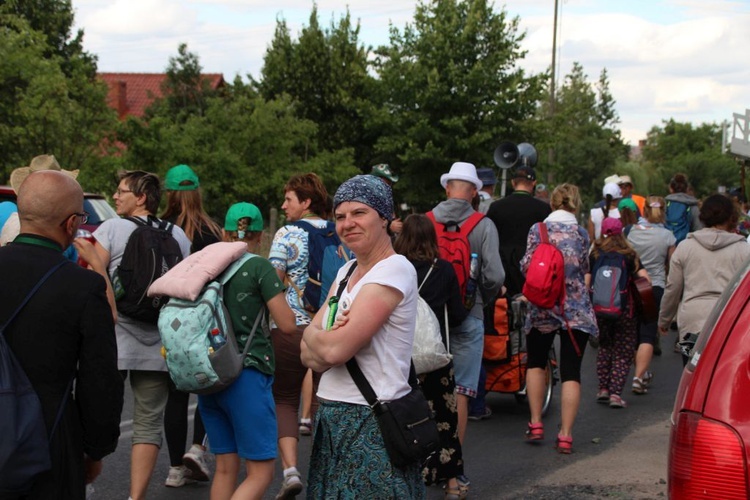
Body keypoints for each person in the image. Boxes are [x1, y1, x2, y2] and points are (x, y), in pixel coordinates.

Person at [0, 170, 123, 499]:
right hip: (48, 441)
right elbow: (99, 378)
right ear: (71, 224)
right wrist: (95, 449)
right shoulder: (83, 286)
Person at [301, 175, 425, 498]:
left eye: (359, 213)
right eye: (340, 216)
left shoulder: (395, 269)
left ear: (384, 217)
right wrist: (320, 337)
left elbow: (333, 353)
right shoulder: (345, 272)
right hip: (332, 419)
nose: (347, 223)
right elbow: (306, 353)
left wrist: (318, 334)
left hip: (371, 421)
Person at [91, 170, 191, 500]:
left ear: (141, 197)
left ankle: (82, 483)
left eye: (122, 191)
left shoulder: (111, 228)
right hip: (158, 340)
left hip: (116, 337)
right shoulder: (177, 234)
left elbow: (94, 277)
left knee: (95, 414)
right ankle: (136, 497)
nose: (116, 196)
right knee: (147, 422)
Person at [197, 202, 296, 499]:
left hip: (210, 375)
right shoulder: (259, 267)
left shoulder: (206, 264)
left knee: (226, 468)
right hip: (247, 374)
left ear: (225, 231)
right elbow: (287, 324)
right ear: (260, 235)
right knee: (261, 471)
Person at [267, 173, 337, 499]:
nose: (283, 205)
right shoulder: (341, 232)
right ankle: (330, 473)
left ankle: (291, 470)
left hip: (291, 327)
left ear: (306, 202)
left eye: (289, 199)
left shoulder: (287, 233)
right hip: (332, 331)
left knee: (285, 399)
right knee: (331, 402)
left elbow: (272, 281)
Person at [429, 162, 504, 458]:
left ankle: (427, 456)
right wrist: (478, 301)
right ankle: (452, 462)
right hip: (468, 316)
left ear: (447, 188)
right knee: (460, 390)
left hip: (429, 319)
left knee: (426, 388)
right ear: (474, 192)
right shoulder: (483, 225)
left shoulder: (424, 222)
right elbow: (495, 276)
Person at [393, 214, 468, 499]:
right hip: (435, 357)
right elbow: (457, 315)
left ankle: (407, 481)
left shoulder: (395, 269)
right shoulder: (445, 269)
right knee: (445, 421)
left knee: (402, 420)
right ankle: (451, 485)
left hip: (401, 358)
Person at [520, 183, 597, 454]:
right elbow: (583, 269)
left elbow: (526, 266)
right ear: (575, 203)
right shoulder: (581, 234)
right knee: (571, 372)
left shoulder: (537, 230)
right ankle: (565, 435)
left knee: (536, 364)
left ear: (552, 203)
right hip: (575, 311)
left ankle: (536, 422)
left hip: (542, 307)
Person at [159, 164, 222, 487]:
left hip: (172, 319)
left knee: (176, 392)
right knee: (205, 387)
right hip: (205, 318)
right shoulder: (212, 230)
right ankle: (197, 448)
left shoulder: (163, 228)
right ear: (197, 191)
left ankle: (173, 468)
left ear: (169, 193)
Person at [476, 164, 550, 420]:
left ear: (514, 182)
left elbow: (490, 241)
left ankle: (503, 369)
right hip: (532, 273)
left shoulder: (496, 208)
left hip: (504, 271)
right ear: (532, 183)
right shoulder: (543, 208)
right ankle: (528, 372)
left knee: (503, 322)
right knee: (530, 325)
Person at [658, 194, 750, 365]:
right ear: (732, 217)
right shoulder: (744, 250)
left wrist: (664, 319)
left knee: (691, 370)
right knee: (722, 372)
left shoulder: (685, 247)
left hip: (691, 322)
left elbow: (673, 288)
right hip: (729, 322)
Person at [588, 218, 649, 409]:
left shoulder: (596, 253)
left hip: (599, 309)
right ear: (621, 232)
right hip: (625, 310)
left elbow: (587, 281)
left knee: (605, 347)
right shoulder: (629, 254)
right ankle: (615, 394)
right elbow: (645, 279)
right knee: (623, 351)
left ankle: (603, 389)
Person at [626, 196, 675, 393]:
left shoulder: (629, 233)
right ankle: (639, 377)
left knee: (633, 332)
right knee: (647, 332)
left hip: (631, 286)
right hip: (655, 287)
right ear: (663, 212)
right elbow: (673, 266)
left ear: (643, 210)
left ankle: (642, 372)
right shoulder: (668, 236)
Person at [664, 173, 703, 244]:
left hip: (667, 245)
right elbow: (698, 230)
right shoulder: (692, 206)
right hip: (685, 246)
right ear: (687, 188)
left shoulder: (665, 204)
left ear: (671, 189)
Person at [371, 163, 403, 235]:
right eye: (387, 182)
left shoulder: (389, 199)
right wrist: (389, 227)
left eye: (390, 183)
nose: (389, 186)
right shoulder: (368, 201)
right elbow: (367, 225)